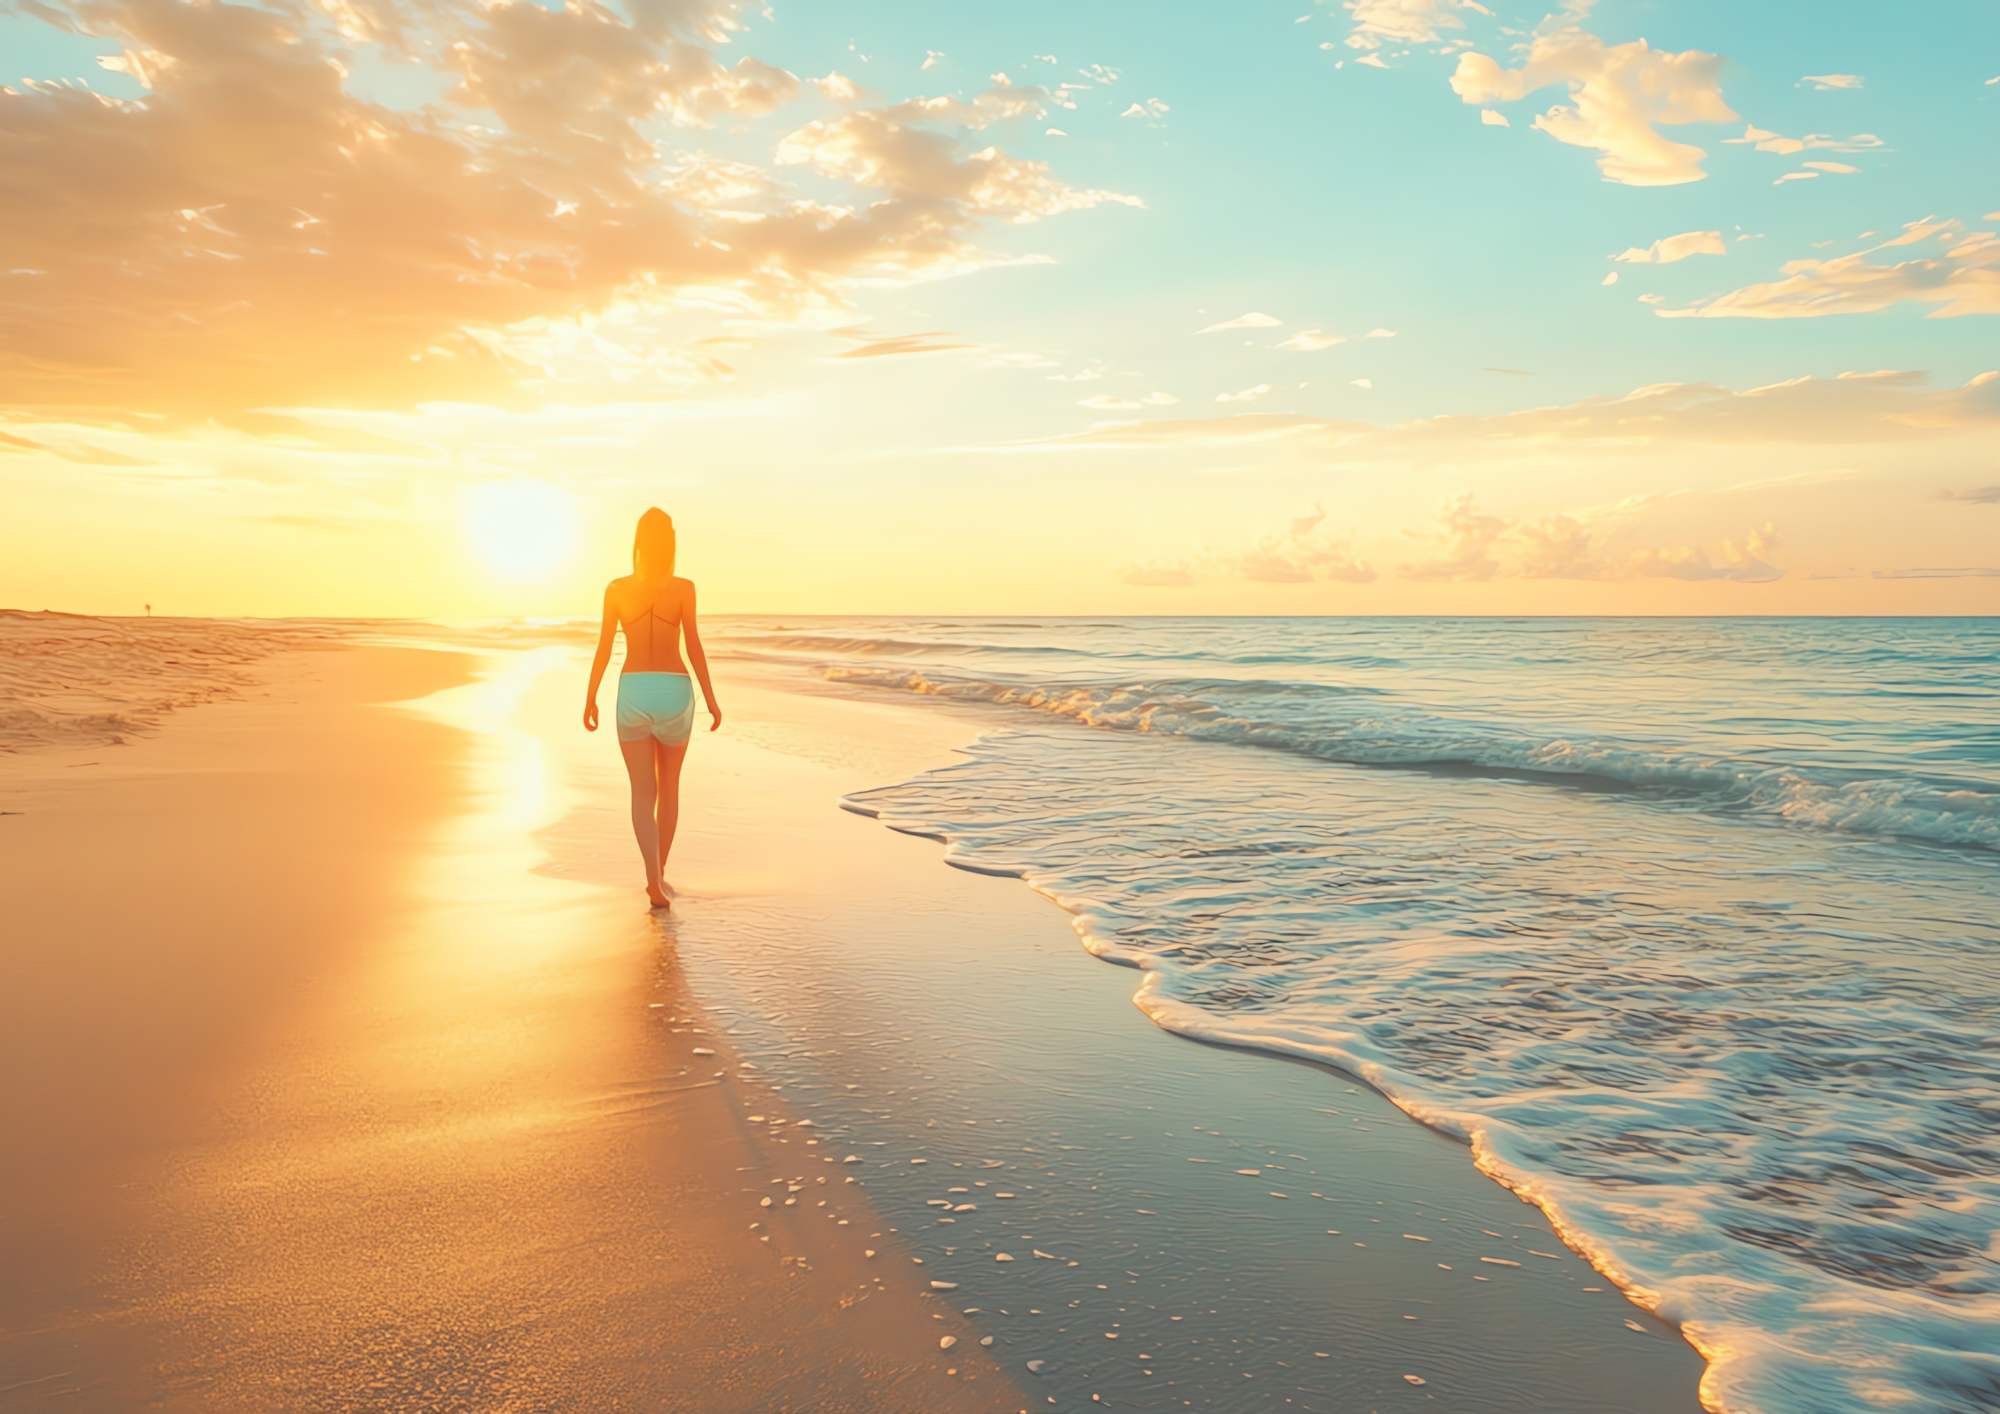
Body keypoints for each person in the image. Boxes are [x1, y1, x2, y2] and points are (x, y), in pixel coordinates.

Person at [583, 509, 722, 908]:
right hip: (675, 689)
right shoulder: (684, 588)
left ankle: (651, 880)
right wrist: (710, 699)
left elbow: (604, 647)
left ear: (638, 541)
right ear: (672, 541)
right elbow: (693, 644)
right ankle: (659, 875)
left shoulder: (616, 589)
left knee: (643, 793)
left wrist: (590, 696)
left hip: (633, 690)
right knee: (670, 789)